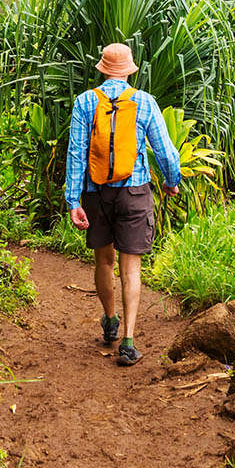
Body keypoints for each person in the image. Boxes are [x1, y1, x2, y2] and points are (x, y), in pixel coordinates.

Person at [65, 43, 181, 366]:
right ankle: (128, 343)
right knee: (131, 269)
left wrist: (73, 200)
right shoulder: (144, 102)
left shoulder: (85, 103)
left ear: (102, 69)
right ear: (131, 71)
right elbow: (165, 151)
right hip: (134, 193)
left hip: (96, 193)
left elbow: (76, 154)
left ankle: (110, 320)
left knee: (104, 261)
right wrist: (172, 181)